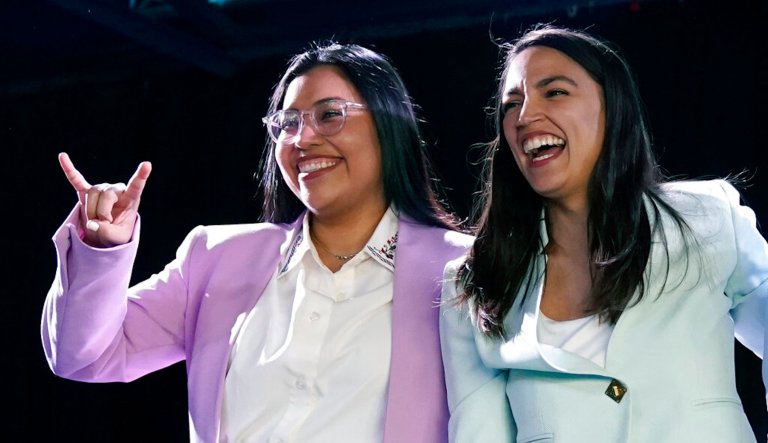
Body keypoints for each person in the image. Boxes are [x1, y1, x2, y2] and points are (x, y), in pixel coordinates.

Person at [42, 43, 473, 442]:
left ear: (387, 124)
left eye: (329, 115)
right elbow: (83, 357)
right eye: (287, 124)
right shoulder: (216, 258)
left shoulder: (463, 269)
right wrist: (101, 251)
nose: (303, 139)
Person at [440, 24, 768, 443]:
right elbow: (478, 433)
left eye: (554, 92)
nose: (524, 117)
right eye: (512, 104)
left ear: (612, 110)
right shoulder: (474, 280)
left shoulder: (707, 218)